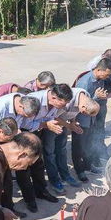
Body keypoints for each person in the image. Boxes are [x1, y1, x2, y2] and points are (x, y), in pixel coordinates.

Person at [16, 84, 73, 212]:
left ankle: (41, 191)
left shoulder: (53, 103)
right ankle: (29, 199)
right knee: (24, 167)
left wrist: (48, 124)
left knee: (38, 164)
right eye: (62, 104)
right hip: (23, 133)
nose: (64, 107)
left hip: (38, 130)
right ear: (53, 98)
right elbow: (25, 123)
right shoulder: (34, 101)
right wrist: (46, 124)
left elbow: (50, 117)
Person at [43, 88, 100, 194]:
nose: (84, 115)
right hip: (52, 125)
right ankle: (55, 180)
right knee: (50, 153)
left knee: (62, 150)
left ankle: (65, 176)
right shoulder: (67, 102)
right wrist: (70, 126)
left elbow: (75, 113)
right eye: (85, 113)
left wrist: (73, 123)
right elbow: (54, 116)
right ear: (83, 106)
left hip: (64, 124)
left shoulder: (85, 96)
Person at [73, 58, 111, 182]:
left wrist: (100, 97)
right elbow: (81, 104)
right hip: (81, 120)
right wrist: (96, 97)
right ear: (98, 70)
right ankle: (79, 171)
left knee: (89, 144)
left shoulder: (100, 80)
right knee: (78, 146)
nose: (107, 77)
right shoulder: (84, 82)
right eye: (106, 74)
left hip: (92, 119)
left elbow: (98, 98)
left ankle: (88, 166)